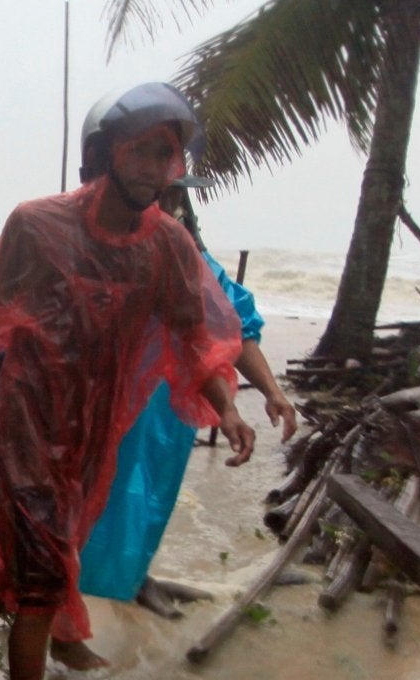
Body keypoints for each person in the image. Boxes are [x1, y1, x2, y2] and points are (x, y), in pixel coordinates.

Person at [0, 82, 251, 680]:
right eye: (143, 149)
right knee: (40, 581)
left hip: (96, 431)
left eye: (169, 153)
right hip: (30, 424)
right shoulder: (37, 227)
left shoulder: (168, 243)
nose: (157, 166)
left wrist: (225, 408)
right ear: (104, 152)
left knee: (40, 566)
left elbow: (197, 339)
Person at [64, 180, 299, 636]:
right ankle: (64, 606)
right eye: (158, 194)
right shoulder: (99, 252)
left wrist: (273, 392)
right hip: (99, 399)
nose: (164, 205)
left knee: (148, 494)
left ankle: (126, 581)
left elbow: (236, 328)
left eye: (173, 197)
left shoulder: (193, 261)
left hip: (170, 408)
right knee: (83, 499)